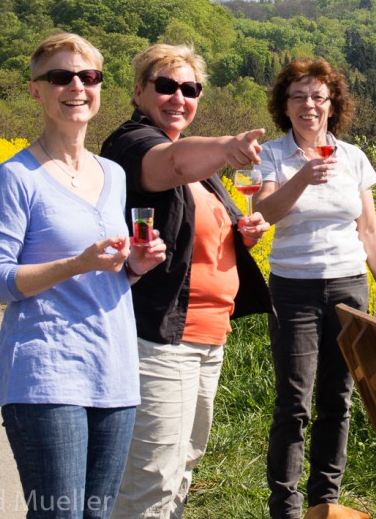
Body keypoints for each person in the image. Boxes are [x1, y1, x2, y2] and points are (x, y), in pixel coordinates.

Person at [0, 33, 167, 519]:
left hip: (114, 370)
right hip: (46, 373)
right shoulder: (15, 177)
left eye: (89, 77)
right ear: (36, 91)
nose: (76, 87)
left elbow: (107, 276)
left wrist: (135, 268)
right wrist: (77, 263)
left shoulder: (113, 174)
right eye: (60, 77)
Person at [99, 43, 273, 518]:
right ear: (139, 92)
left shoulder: (206, 175)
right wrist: (227, 147)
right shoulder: (131, 144)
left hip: (207, 336)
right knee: (150, 479)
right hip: (159, 336)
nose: (179, 97)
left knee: (182, 470)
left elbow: (199, 233)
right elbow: (171, 163)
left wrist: (243, 233)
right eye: (166, 86)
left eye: (190, 89)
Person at [253, 57, 376, 519]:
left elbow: (370, 229)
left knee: (338, 398)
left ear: (333, 104)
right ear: (285, 105)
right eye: (298, 96)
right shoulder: (273, 155)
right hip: (292, 289)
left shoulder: (353, 157)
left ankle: (326, 503)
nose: (308, 105)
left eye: (318, 96)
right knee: (293, 402)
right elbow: (265, 213)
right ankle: (286, 508)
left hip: (348, 287)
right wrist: (302, 176)